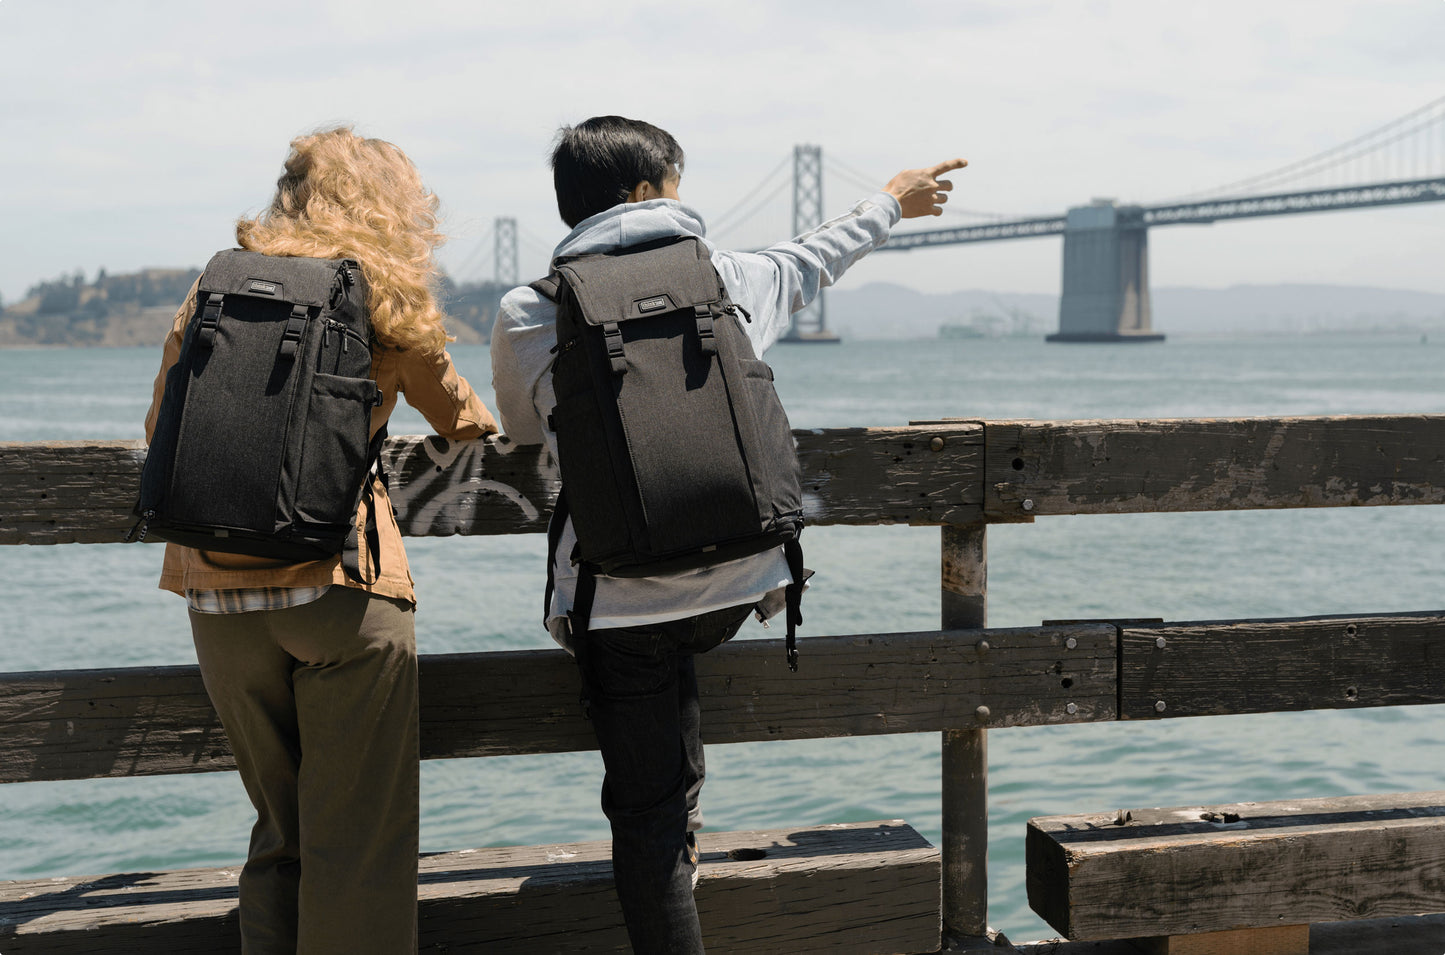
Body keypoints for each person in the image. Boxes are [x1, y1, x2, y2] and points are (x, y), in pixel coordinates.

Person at [489, 115, 965, 953]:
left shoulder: (531, 307)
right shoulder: (729, 276)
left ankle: (674, 842)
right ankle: (687, 813)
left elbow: (523, 429)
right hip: (745, 581)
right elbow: (822, 254)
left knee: (645, 810)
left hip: (615, 599)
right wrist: (892, 199)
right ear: (645, 192)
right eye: (677, 181)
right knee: (677, 706)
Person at [143, 126, 497, 954]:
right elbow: (464, 421)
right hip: (341, 590)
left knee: (281, 829)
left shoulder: (214, 288)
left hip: (215, 594)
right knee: (360, 848)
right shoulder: (382, 293)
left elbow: (163, 425)